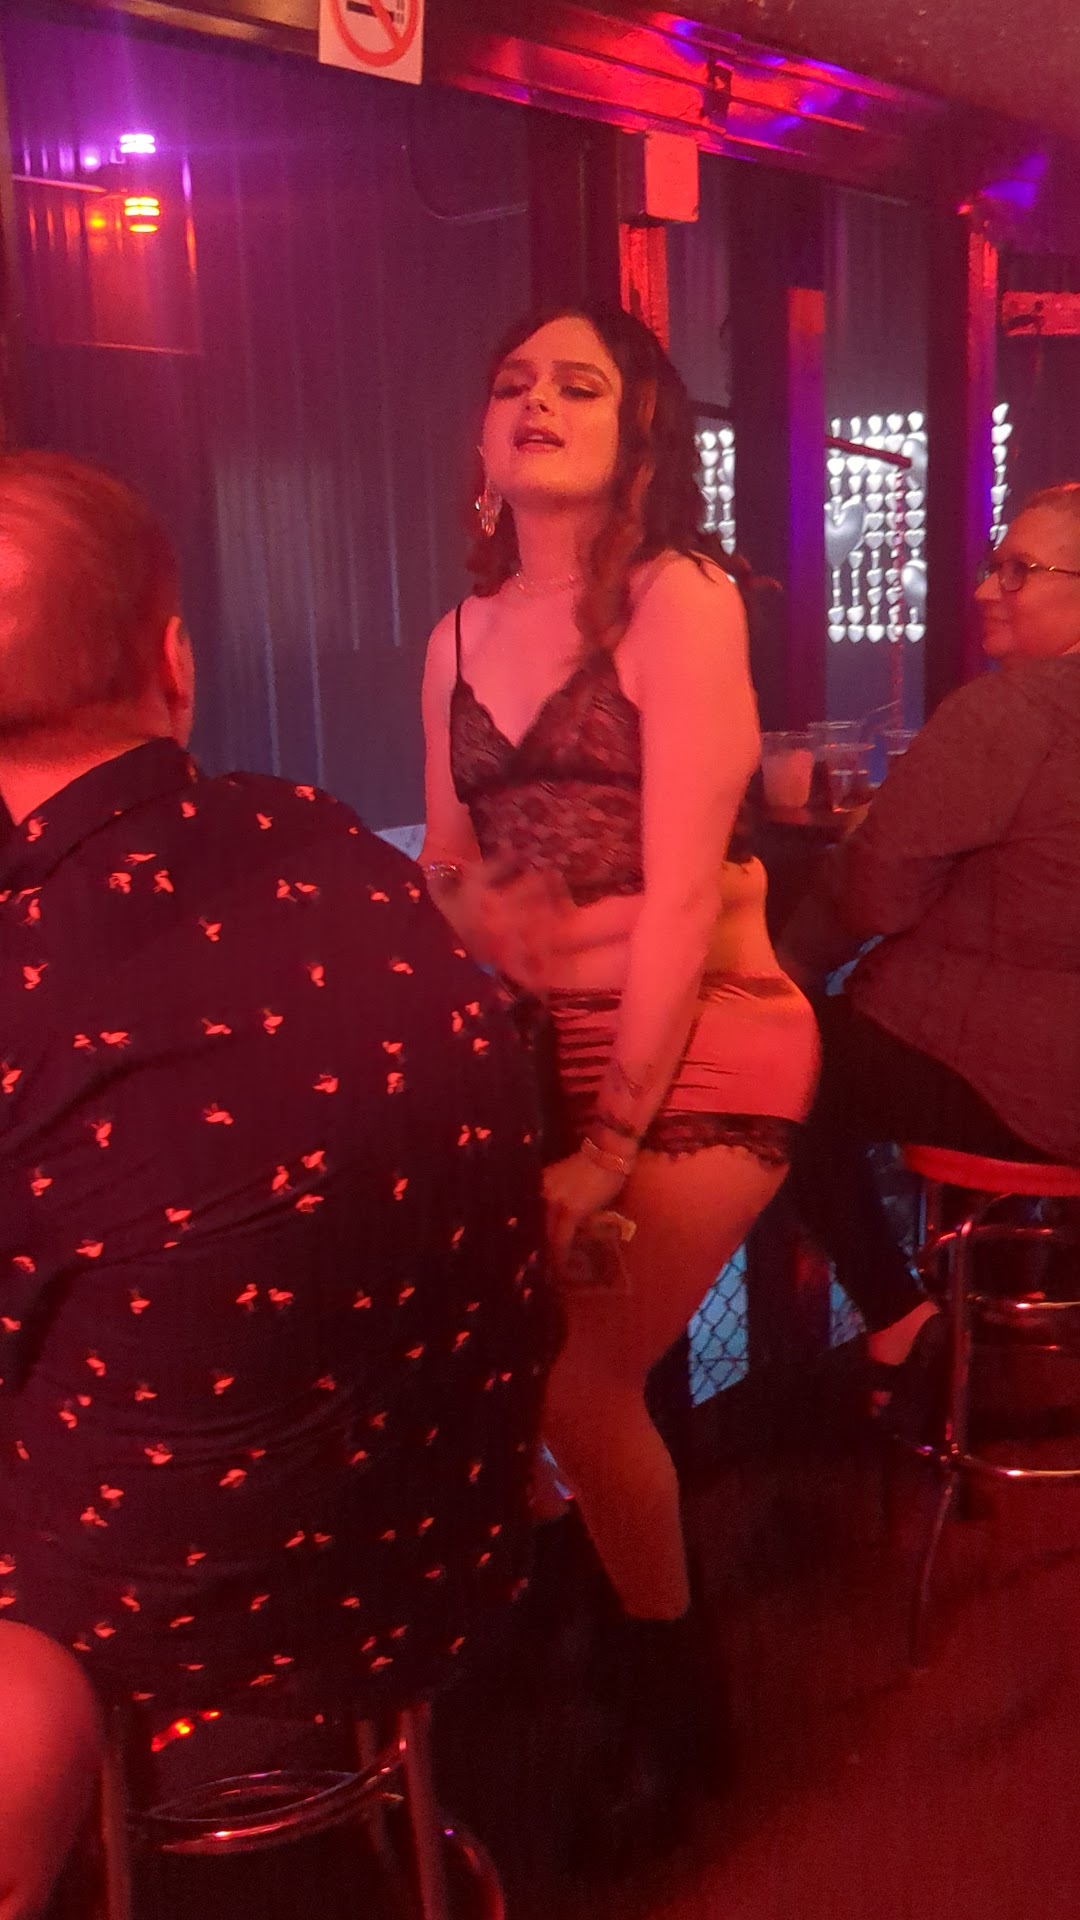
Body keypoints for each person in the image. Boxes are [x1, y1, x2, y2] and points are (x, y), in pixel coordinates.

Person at [0, 452, 555, 1920]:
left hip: (191, 1624)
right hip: (459, 1533)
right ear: (176, 664)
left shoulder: (25, 959)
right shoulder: (329, 841)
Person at [419, 304, 820, 1847]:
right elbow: (447, 862)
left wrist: (602, 1142)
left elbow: (678, 894)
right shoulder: (456, 636)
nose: (537, 401)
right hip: (536, 1041)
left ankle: (677, 1706)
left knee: (573, 1378)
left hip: (709, 1023)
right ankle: (572, 1621)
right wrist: (466, 922)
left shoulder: (680, 597)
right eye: (512, 382)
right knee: (498, 1357)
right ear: (480, 440)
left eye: (579, 385)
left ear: (641, 435)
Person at [781, 482, 1080, 1431]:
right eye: (995, 564)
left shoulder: (1012, 711)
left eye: (1019, 571)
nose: (987, 588)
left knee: (763, 1060)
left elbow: (875, 892)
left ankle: (897, 1313)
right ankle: (1004, 1310)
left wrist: (782, 970)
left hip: (1026, 1084)